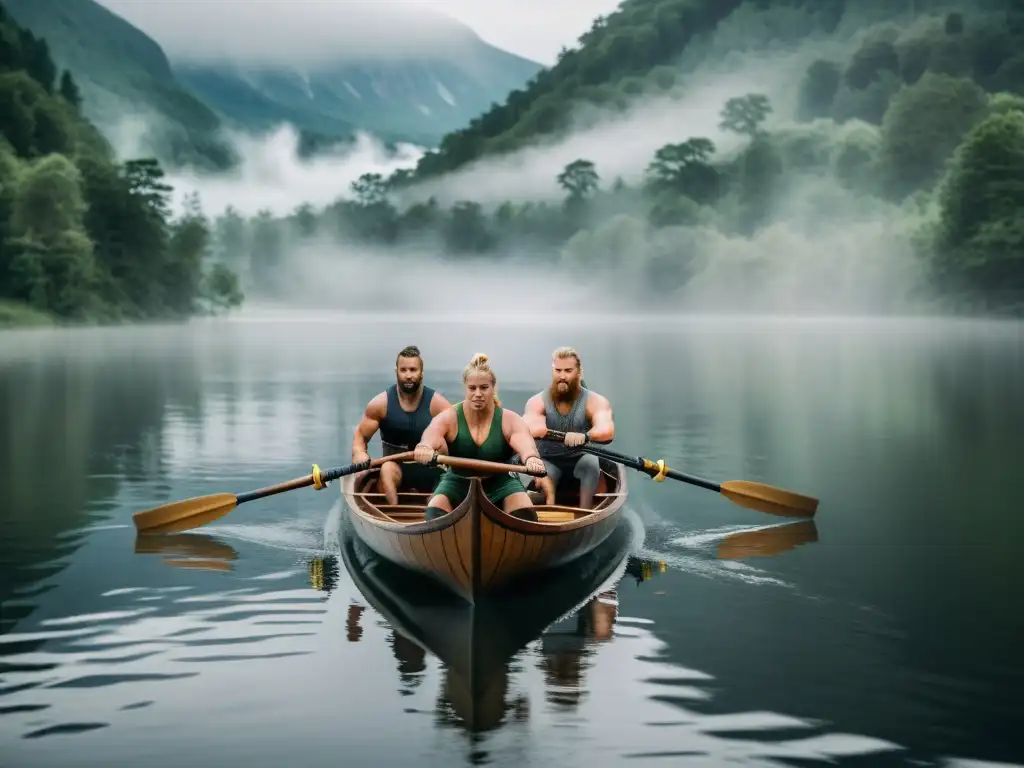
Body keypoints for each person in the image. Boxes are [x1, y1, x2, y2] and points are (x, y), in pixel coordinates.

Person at [413, 353, 546, 521]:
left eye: (484, 388)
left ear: (493, 388)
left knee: (525, 516)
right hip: (458, 480)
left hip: (500, 482)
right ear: (465, 388)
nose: (478, 393)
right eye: (472, 388)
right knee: (434, 514)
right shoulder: (450, 417)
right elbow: (432, 433)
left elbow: (525, 444)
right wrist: (425, 447)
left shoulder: (509, 419)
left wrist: (531, 458)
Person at [351, 345, 452, 505]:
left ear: (422, 373)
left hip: (431, 470)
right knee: (386, 469)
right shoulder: (380, 404)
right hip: (396, 469)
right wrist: (359, 453)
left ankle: (433, 510)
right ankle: (392, 514)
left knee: (448, 481)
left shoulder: (438, 405)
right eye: (403, 370)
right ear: (396, 371)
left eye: (413, 370)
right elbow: (360, 436)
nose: (408, 375)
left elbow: (457, 438)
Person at [522, 346, 615, 508]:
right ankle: (542, 503)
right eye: (557, 370)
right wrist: (537, 428)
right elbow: (530, 425)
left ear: (580, 373)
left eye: (568, 370)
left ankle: (585, 513)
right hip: (549, 460)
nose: (562, 376)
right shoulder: (537, 401)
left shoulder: (595, 401)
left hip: (581, 460)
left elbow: (606, 430)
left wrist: (585, 436)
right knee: (540, 470)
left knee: (591, 463)